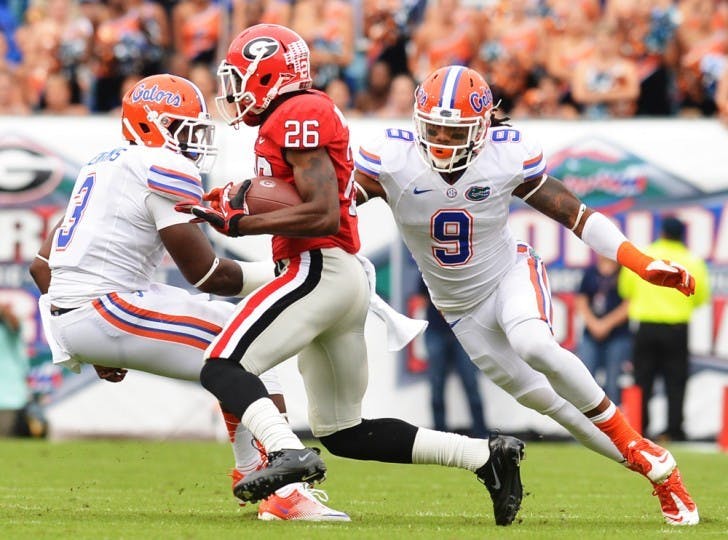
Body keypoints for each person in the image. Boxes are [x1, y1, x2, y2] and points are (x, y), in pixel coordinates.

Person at [178, 23, 526, 527]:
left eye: (241, 77)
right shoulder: (292, 115)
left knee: (221, 366)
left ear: (270, 73)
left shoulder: (299, 111)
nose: (233, 90)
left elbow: (320, 214)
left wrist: (242, 218)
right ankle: (485, 456)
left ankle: (285, 454)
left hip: (319, 269)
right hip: (332, 278)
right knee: (344, 432)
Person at [352, 64, 700, 526]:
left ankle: (635, 443)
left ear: (481, 128)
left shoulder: (506, 156)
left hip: (510, 274)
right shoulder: (392, 158)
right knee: (558, 410)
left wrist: (639, 261)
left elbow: (575, 214)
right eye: (433, 127)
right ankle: (660, 472)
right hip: (459, 311)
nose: (439, 140)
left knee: (534, 343)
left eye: (453, 131)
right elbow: (330, 210)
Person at [28, 73, 350, 522]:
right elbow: (208, 274)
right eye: (182, 128)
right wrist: (283, 273)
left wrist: (83, 333)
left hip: (88, 309)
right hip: (107, 304)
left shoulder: (102, 166)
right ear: (147, 125)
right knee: (244, 343)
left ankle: (255, 473)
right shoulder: (159, 166)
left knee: (233, 341)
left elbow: (41, 267)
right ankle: (286, 483)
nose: (192, 141)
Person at [618, 216, 711, 442]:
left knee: (643, 380)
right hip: (676, 329)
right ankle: (673, 430)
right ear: (682, 236)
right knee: (675, 382)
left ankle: (640, 428)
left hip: (646, 327)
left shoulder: (645, 255)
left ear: (662, 233)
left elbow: (625, 290)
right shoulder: (693, 260)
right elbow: (701, 297)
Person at [418, 281, 488, 438]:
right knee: (437, 387)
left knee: (471, 385)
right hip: (439, 330)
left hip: (461, 332)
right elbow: (422, 295)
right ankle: (440, 436)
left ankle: (481, 434)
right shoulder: (431, 263)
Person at [575, 254, 632, 405]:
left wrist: (606, 324)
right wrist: (593, 324)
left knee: (614, 381)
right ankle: (585, 422)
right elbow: (582, 299)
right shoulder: (590, 273)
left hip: (618, 335)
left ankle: (614, 422)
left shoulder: (625, 273)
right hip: (591, 334)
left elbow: (629, 304)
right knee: (586, 380)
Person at [0, 302, 30, 437]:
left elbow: (14, 323)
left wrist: (3, 310)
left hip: (7, 399)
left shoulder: (8, 328)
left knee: (5, 441)